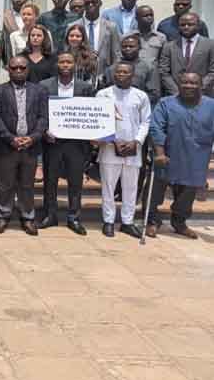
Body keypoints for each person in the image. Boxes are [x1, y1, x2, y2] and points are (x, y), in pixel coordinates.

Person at [149, 73, 214, 239]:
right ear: (178, 85)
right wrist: (160, 153)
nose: (188, 86)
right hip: (168, 155)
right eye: (184, 82)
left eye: (193, 83)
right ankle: (152, 221)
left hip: (197, 157)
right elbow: (156, 128)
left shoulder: (211, 106)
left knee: (187, 194)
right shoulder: (165, 103)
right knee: (155, 191)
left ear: (201, 86)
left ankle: (179, 222)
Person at [0, 56, 48, 235]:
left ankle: (27, 217)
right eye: (14, 68)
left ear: (27, 70)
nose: (18, 71)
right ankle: (3, 215)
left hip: (30, 146)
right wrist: (10, 138)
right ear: (8, 70)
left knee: (27, 185)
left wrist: (33, 137)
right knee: (5, 184)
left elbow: (43, 117)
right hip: (6, 145)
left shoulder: (39, 91)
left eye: (22, 68)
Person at [39, 52, 93, 235]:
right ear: (56, 65)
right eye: (61, 62)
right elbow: (40, 112)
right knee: (50, 180)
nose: (65, 65)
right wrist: (45, 131)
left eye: (69, 62)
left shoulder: (85, 87)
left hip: (76, 143)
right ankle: (50, 215)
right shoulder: (45, 85)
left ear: (74, 64)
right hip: (52, 142)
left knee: (75, 182)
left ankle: (73, 217)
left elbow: (89, 114)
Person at [95, 62, 150, 238]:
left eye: (125, 72)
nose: (121, 75)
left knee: (131, 187)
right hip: (109, 148)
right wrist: (112, 140)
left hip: (133, 149)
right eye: (118, 72)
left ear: (132, 75)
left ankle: (127, 222)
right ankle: (108, 221)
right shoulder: (103, 94)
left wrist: (137, 141)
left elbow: (146, 122)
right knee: (108, 187)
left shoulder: (141, 96)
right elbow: (98, 121)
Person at [159, 12, 214, 97]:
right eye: (182, 25)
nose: (186, 27)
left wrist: (197, 89)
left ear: (198, 26)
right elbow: (164, 72)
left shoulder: (210, 45)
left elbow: (212, 71)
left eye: (190, 24)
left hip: (203, 96)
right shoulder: (169, 46)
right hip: (176, 96)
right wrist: (177, 92)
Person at [69, 0, 121, 76]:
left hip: (104, 74)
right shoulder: (73, 26)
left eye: (94, 2)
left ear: (100, 4)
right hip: (79, 74)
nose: (90, 5)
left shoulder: (111, 27)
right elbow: (68, 51)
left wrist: (110, 74)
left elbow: (116, 54)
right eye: (87, 3)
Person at [102, 34, 160, 107]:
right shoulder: (111, 69)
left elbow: (154, 94)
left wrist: (134, 102)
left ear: (139, 48)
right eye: (124, 46)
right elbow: (105, 92)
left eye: (131, 46)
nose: (127, 49)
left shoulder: (149, 67)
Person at [130, 5, 167, 70]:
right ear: (137, 18)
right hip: (133, 72)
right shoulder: (129, 37)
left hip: (153, 73)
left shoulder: (161, 37)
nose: (149, 17)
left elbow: (164, 59)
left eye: (151, 15)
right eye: (145, 16)